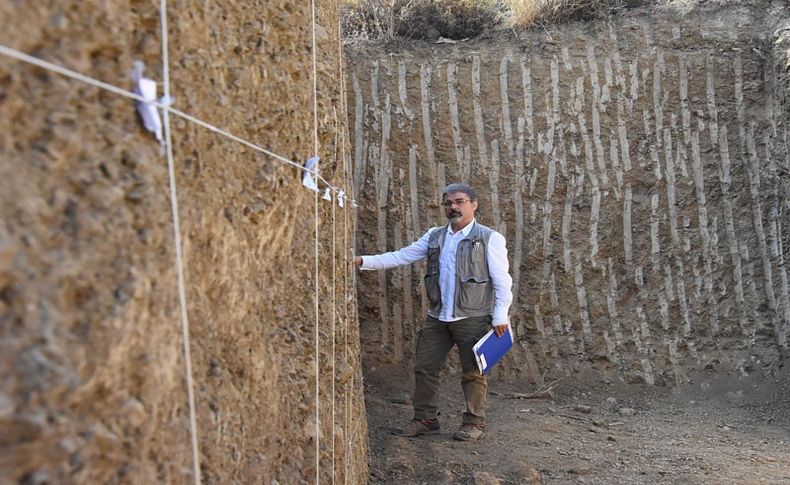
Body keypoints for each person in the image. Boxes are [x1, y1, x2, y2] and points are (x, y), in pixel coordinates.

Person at [354, 183, 513, 441]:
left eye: (459, 202)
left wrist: (500, 315)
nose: (453, 207)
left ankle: (474, 422)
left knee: (473, 371)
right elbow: (402, 256)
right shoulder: (435, 236)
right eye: (448, 203)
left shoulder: (489, 238)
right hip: (438, 317)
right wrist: (364, 261)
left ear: (474, 205)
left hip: (472, 317)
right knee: (425, 367)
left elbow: (502, 281)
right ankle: (425, 419)